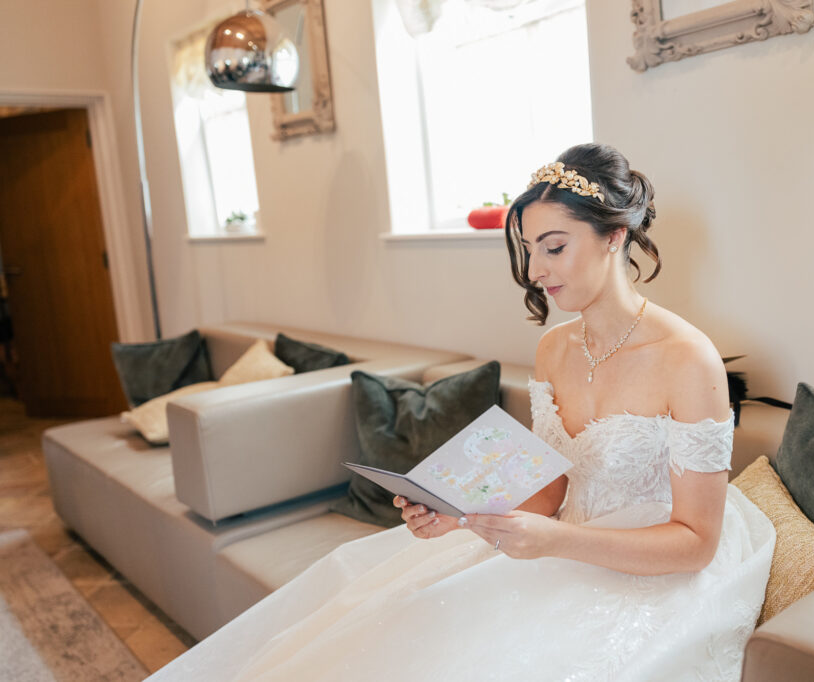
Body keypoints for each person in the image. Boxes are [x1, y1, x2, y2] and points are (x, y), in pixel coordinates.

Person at [148, 143, 775, 682]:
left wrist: (557, 541)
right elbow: (551, 488)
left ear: (615, 236)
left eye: (554, 248)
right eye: (530, 250)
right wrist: (463, 516)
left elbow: (696, 544)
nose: (536, 271)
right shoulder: (554, 346)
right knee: (383, 626)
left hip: (650, 571)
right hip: (554, 542)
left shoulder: (688, 361)